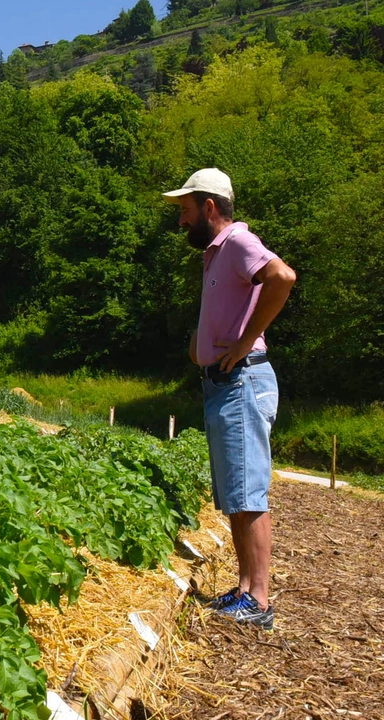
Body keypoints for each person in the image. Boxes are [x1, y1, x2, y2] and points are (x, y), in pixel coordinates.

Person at [163, 168, 297, 631]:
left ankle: (258, 602)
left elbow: (282, 276)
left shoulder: (238, 242)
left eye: (185, 210)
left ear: (210, 207)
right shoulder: (216, 255)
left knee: (250, 492)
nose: (181, 220)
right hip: (224, 384)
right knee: (237, 493)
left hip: (241, 381)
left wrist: (246, 341)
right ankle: (244, 590)